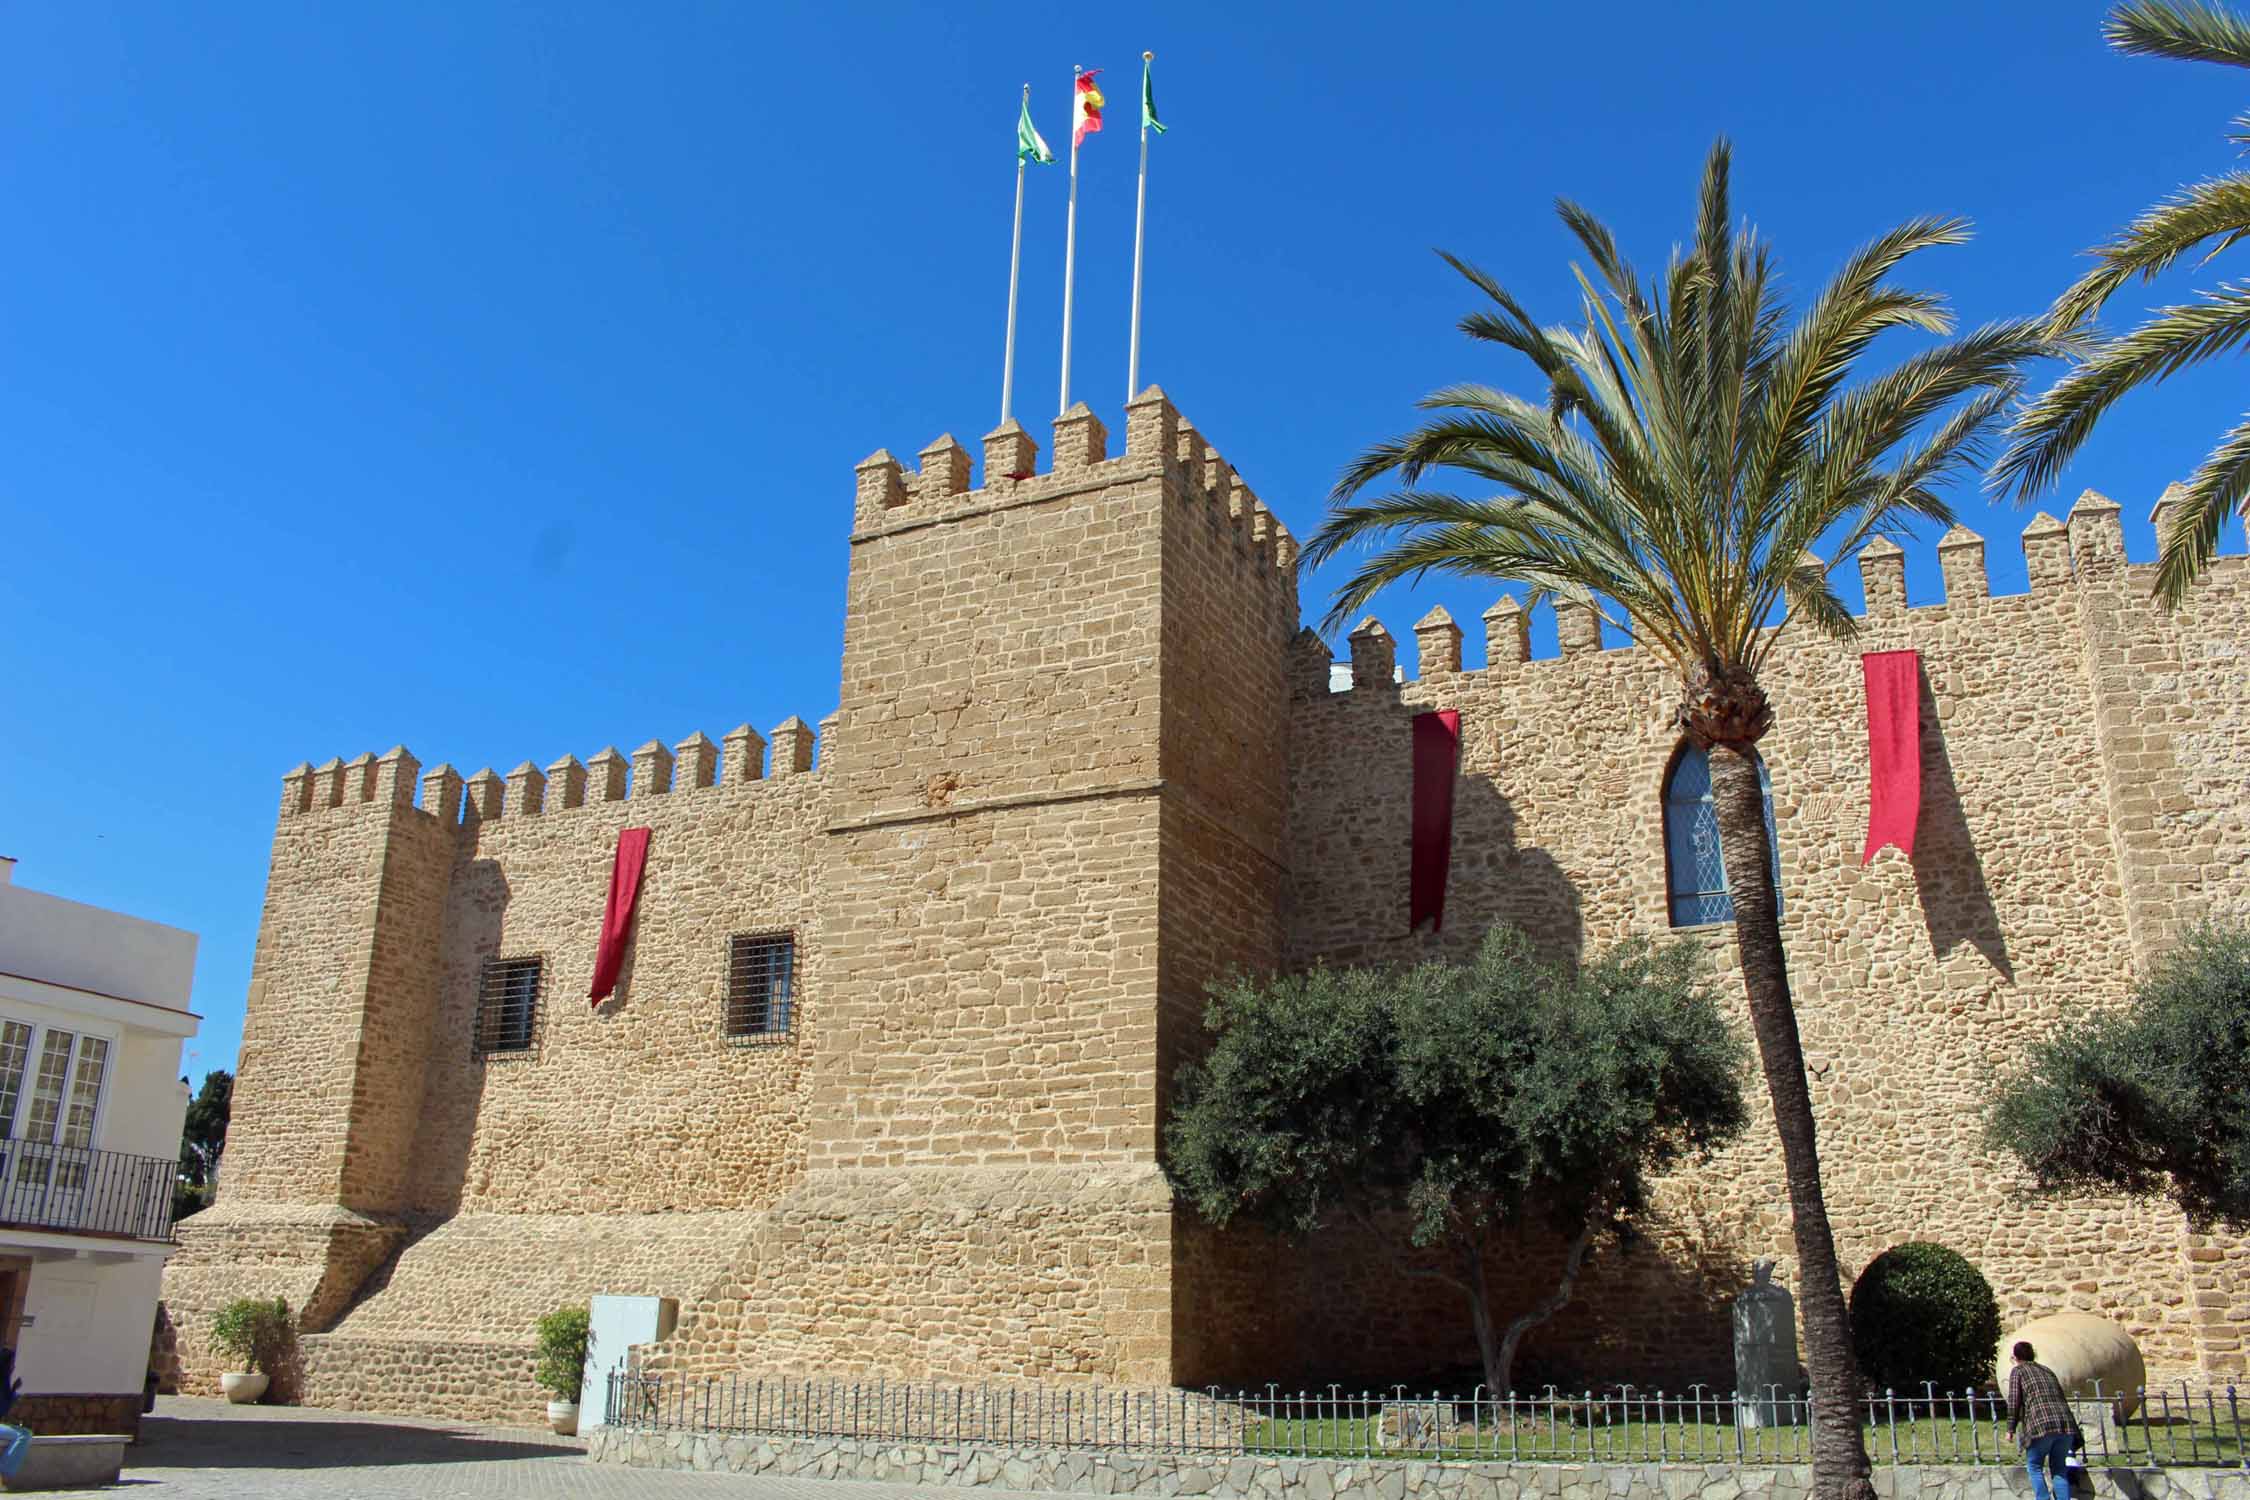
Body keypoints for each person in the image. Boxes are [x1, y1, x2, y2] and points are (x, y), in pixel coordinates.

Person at [2006, 1340, 2085, 1500]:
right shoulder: (2047, 1370)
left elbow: (2014, 1401)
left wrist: (2010, 1429)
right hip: (2064, 1425)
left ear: (2015, 1357)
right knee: (2059, 1469)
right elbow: (2061, 1396)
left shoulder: (2018, 1371)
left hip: (2040, 1425)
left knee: (2034, 1466)